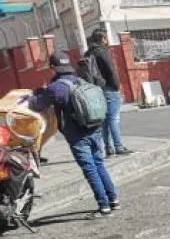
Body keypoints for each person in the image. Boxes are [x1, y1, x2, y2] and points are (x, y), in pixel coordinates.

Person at [29, 52, 119, 219]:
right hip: (94, 129)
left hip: (78, 136)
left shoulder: (56, 88)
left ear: (53, 67)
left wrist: (32, 96)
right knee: (99, 164)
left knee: (90, 169)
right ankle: (113, 199)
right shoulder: (80, 80)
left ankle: (104, 206)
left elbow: (37, 105)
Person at [86, 29, 132, 157]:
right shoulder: (102, 52)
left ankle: (108, 148)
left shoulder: (88, 53)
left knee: (105, 119)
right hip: (108, 88)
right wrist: (116, 85)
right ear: (101, 39)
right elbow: (110, 70)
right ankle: (118, 146)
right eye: (105, 38)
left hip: (96, 90)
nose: (107, 41)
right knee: (113, 118)